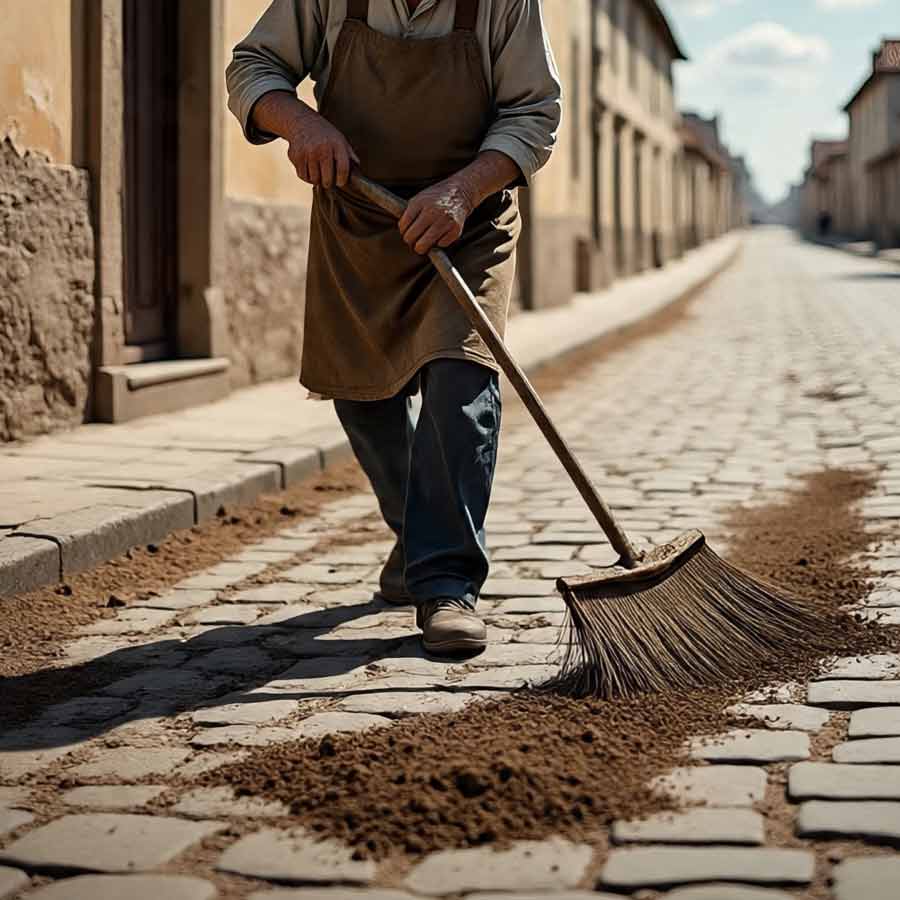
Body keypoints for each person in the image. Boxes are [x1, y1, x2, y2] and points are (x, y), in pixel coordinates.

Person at [226, 0, 560, 656]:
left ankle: (447, 584)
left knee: (460, 383)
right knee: (362, 393)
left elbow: (534, 112)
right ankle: (416, 537)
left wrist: (463, 193)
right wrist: (299, 122)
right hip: (360, 221)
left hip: (468, 222)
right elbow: (252, 66)